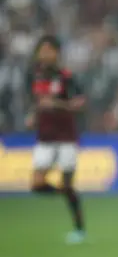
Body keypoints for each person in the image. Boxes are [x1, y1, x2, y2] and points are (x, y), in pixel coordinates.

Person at [25, 35, 87, 245]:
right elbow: (37, 103)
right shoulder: (34, 76)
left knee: (67, 182)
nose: (44, 54)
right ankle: (68, 194)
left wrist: (58, 106)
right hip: (44, 136)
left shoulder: (66, 77)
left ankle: (79, 229)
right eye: (42, 50)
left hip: (65, 137)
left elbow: (80, 103)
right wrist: (32, 115)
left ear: (56, 53)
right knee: (37, 184)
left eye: (48, 50)